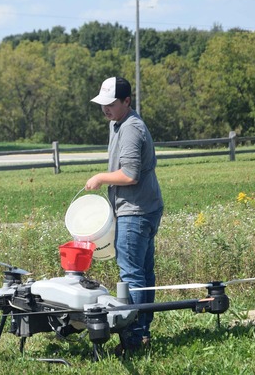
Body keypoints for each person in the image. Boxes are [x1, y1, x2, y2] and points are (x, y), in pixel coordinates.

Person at [85, 76, 164, 354]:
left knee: (132, 275)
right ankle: (142, 330)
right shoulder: (116, 123)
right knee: (143, 272)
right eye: (102, 104)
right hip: (143, 206)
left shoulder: (131, 129)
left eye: (111, 103)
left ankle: (135, 337)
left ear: (127, 102)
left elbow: (129, 174)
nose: (105, 109)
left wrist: (100, 178)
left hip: (136, 211)